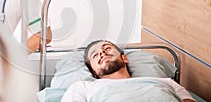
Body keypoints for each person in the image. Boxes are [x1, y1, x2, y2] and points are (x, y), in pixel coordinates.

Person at [61, 40, 195, 102]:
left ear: (124, 58)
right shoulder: (83, 87)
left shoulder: (166, 82)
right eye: (95, 55)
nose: (101, 52)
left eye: (107, 48)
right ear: (94, 72)